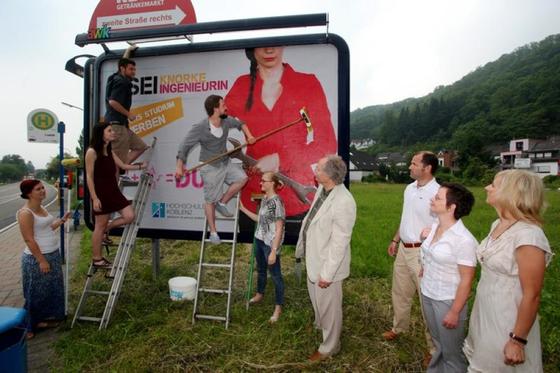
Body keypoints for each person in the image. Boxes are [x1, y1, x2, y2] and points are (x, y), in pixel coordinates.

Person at [225, 47, 337, 227]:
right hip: (255, 195)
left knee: (298, 252)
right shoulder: (242, 85)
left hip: (296, 197)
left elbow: (327, 142)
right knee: (258, 253)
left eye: (275, 43)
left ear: (283, 46)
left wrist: (280, 159)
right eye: (262, 45)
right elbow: (220, 120)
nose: (269, 50)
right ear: (252, 51)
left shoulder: (307, 83)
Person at [463, 170, 552, 372]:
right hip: (486, 310)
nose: (487, 187)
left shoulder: (529, 236)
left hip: (507, 319)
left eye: (493, 185)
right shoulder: (498, 223)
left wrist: (517, 341)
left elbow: (532, 294)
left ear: (511, 193)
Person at [295, 155, 356, 361]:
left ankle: (329, 347)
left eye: (319, 168)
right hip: (314, 259)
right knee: (318, 302)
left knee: (330, 308)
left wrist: (327, 274)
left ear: (329, 175)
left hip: (327, 267)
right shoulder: (323, 190)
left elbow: (340, 243)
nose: (315, 170)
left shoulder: (344, 202)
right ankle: (322, 327)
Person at [175, 95, 256, 244]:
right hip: (209, 166)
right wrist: (179, 167)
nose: (226, 107)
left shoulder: (226, 121)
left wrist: (249, 136)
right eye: (223, 104)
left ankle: (223, 202)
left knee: (242, 178)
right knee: (210, 200)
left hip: (225, 163)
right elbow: (184, 147)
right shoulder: (200, 128)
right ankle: (213, 232)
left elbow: (241, 123)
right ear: (215, 108)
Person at [383, 151, 439, 365]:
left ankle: (433, 348)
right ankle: (399, 328)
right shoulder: (409, 189)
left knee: (427, 301)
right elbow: (406, 217)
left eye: (414, 164)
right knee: (400, 292)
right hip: (404, 249)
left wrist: (430, 253)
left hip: (422, 252)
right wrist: (396, 239)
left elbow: (442, 226)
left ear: (428, 168)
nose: (409, 167)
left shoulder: (438, 193)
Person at [420, 183, 477, 372]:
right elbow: (430, 254)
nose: (432, 200)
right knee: (438, 343)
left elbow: (467, 280)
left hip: (448, 300)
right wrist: (424, 267)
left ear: (451, 207)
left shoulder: (464, 240)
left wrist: (454, 311)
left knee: (452, 352)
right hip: (428, 292)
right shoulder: (435, 226)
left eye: (438, 198)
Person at [85, 122, 145, 268]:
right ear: (101, 133)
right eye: (109, 131)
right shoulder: (92, 152)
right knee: (99, 225)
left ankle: (107, 228)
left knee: (129, 216)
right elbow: (89, 176)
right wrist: (94, 198)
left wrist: (140, 166)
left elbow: (123, 166)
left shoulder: (109, 151)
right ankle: (97, 259)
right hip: (101, 194)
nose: (113, 133)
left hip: (114, 191)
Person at [17, 179, 71, 339]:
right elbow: (29, 239)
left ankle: (41, 320)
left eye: (42, 188)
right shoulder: (25, 213)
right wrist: (41, 260)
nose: (42, 191)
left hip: (52, 254)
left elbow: (48, 227)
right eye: (38, 189)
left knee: (51, 289)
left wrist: (61, 220)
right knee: (35, 294)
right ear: (28, 193)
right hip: (37, 259)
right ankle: (27, 327)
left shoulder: (41, 207)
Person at [240, 171, 286, 323]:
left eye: (263, 181)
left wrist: (273, 251)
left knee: (276, 276)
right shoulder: (265, 199)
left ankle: (278, 307)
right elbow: (260, 220)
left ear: (272, 183)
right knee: (260, 270)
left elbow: (279, 229)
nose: (261, 183)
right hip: (259, 240)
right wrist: (243, 209)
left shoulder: (276, 203)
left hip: (269, 244)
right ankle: (260, 294)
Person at [104, 57, 148, 168]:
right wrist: (129, 114)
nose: (134, 72)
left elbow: (122, 62)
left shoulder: (114, 77)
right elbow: (113, 102)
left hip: (122, 126)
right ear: (122, 69)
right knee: (116, 166)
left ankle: (123, 165)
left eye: (134, 69)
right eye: (131, 69)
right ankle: (120, 170)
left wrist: (128, 51)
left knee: (141, 146)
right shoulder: (122, 82)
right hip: (117, 126)